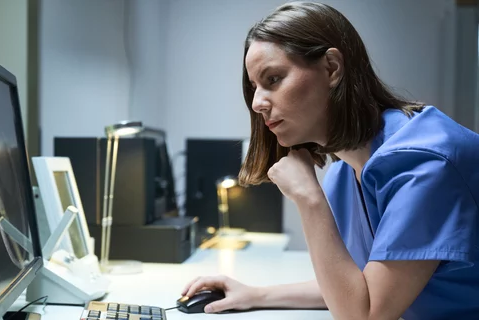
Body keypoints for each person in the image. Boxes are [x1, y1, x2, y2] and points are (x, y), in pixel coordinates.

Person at [181, 2, 479, 320]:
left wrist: (309, 199)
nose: (256, 103)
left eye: (273, 79)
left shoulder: (422, 164)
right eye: (254, 87)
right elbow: (359, 287)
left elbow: (364, 314)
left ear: (332, 68)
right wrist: (256, 294)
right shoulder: (343, 173)